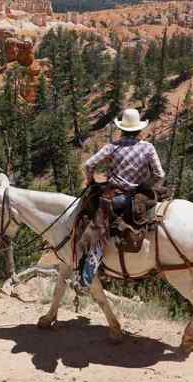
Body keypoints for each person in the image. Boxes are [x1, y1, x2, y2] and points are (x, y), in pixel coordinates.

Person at [78, 108, 165, 287]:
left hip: (116, 198)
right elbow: (160, 174)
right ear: (139, 130)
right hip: (139, 199)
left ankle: (89, 272)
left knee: (96, 225)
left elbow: (89, 164)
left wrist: (90, 181)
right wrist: (146, 187)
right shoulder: (148, 147)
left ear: (122, 129)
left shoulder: (113, 147)